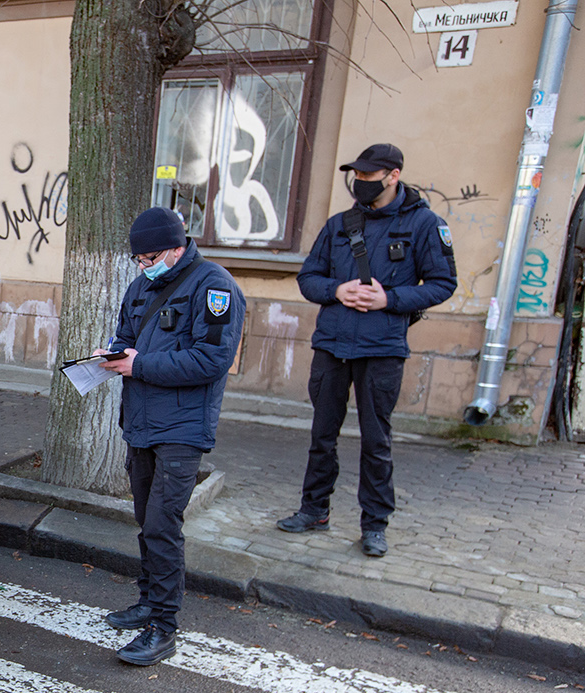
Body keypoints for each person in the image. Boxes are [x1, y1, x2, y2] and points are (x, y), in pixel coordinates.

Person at [276, 144, 457, 558]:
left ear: (393, 175)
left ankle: (374, 525)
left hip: (382, 348)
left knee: (376, 442)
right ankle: (313, 510)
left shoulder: (426, 224)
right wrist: (337, 289)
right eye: (356, 175)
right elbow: (308, 277)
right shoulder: (340, 224)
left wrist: (388, 299)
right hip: (332, 345)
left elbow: (443, 283)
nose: (359, 183)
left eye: (369, 176)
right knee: (322, 435)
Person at [98, 207, 245, 666]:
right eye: (138, 259)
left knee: (163, 524)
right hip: (141, 422)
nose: (144, 265)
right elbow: (127, 335)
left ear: (178, 247)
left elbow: (211, 360)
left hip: (182, 428)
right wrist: (112, 354)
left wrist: (138, 364)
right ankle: (147, 600)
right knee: (147, 518)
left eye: (152, 256)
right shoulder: (142, 284)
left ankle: (163, 626)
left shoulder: (214, 285)